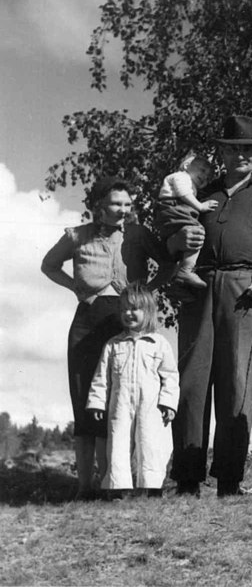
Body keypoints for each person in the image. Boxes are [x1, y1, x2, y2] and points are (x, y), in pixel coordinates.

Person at [168, 115, 252, 497]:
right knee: (191, 382)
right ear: (221, 152)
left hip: (246, 291)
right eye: (232, 148)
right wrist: (179, 241)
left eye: (248, 149)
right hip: (198, 286)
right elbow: (172, 239)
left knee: (237, 383)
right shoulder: (199, 192)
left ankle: (228, 479)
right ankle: (188, 478)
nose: (240, 155)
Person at [41, 176, 174, 499]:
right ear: (98, 206)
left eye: (128, 205)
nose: (123, 211)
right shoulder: (77, 236)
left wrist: (144, 295)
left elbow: (168, 264)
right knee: (87, 403)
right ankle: (86, 487)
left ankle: (121, 484)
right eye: (116, 204)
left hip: (125, 325)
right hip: (87, 326)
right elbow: (49, 265)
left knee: (127, 403)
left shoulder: (139, 234)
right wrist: (77, 288)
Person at [87, 283, 179, 498]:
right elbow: (101, 377)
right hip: (120, 404)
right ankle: (118, 489)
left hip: (152, 405)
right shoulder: (113, 345)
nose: (128, 314)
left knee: (151, 443)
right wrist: (97, 402)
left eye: (134, 309)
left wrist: (168, 403)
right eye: (124, 309)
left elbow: (171, 376)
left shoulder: (159, 344)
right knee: (118, 443)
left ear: (147, 312)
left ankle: (153, 488)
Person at [155, 152, 218, 290]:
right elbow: (183, 193)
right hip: (173, 207)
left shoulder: (190, 183)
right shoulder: (181, 176)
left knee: (183, 246)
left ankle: (176, 278)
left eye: (208, 177)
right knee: (196, 232)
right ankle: (186, 270)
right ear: (186, 165)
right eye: (202, 170)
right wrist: (200, 206)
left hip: (174, 210)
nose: (204, 177)